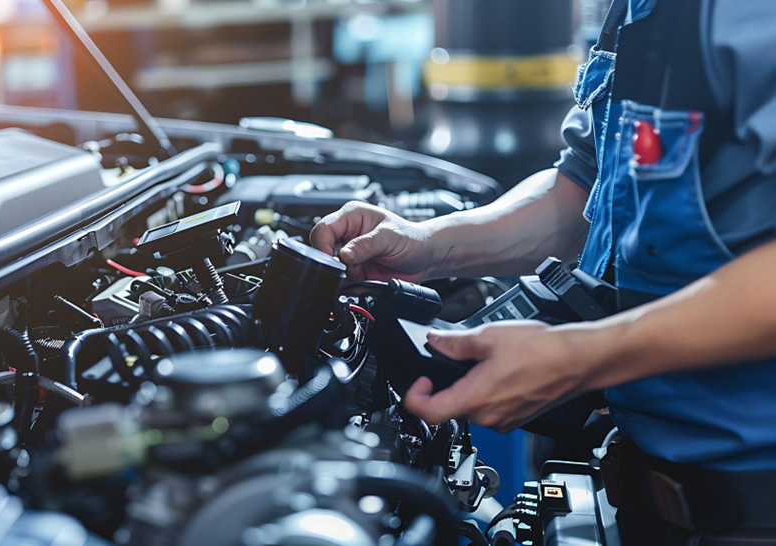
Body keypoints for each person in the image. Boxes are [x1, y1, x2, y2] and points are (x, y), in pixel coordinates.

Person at [310, 0, 776, 543]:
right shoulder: (635, 10)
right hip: (646, 497)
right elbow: (582, 187)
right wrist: (430, 243)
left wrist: (584, 356)